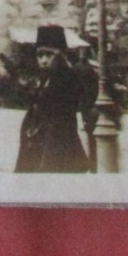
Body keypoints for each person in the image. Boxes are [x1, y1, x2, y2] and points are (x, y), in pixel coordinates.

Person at [15, 25, 89, 173]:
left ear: (61, 56)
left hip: (57, 146)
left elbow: (60, 120)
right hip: (38, 143)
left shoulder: (67, 78)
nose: (43, 60)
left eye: (49, 55)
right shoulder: (45, 78)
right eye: (40, 55)